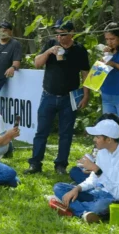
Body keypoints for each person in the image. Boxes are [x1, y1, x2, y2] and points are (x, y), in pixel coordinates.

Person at [48, 118, 119, 222]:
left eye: (98, 137)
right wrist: (77, 189)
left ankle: (72, 207)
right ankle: (84, 211)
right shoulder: (103, 151)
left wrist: (97, 170)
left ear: (109, 140)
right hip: (101, 192)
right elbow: (93, 180)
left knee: (100, 206)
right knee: (59, 187)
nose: (94, 139)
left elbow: (118, 192)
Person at [28, 19, 91, 175]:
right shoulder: (51, 44)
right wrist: (48, 52)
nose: (59, 37)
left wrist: (85, 95)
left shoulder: (80, 50)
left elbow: (85, 74)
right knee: (41, 131)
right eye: (57, 34)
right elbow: (37, 63)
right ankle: (35, 163)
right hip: (48, 95)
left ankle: (61, 165)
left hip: (69, 97)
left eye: (63, 34)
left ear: (72, 33)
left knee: (66, 133)